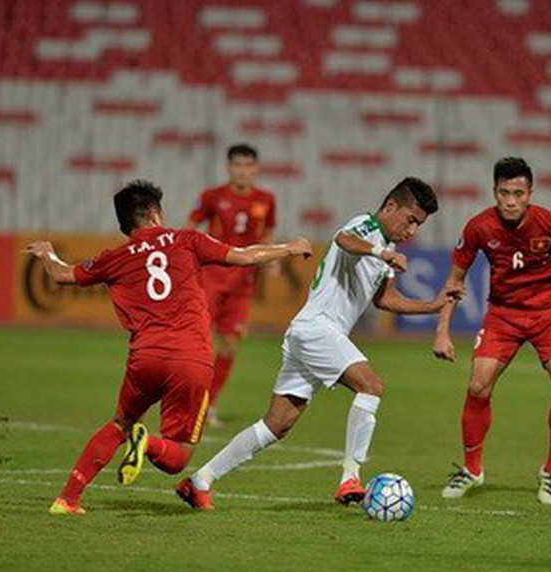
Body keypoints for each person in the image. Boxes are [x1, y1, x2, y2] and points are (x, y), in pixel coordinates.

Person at [174, 177, 462, 510]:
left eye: (419, 225)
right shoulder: (365, 226)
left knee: (277, 424)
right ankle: (350, 479)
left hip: (312, 334)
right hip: (318, 330)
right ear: (390, 206)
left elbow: (386, 299)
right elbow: (344, 240)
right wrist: (380, 252)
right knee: (371, 386)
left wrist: (432, 304)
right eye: (411, 220)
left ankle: (200, 481)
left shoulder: (387, 246)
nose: (412, 230)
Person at [27, 179, 311, 515]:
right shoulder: (186, 240)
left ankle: (67, 499)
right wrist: (289, 248)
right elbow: (245, 256)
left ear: (124, 224)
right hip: (190, 359)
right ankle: (145, 443)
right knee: (179, 456)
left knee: (120, 422)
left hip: (145, 357)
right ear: (154, 213)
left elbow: (61, 275)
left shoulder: (114, 257)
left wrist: (47, 253)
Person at [432, 157, 551, 506]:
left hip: (549, 313)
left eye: (518, 193)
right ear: (494, 192)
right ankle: (472, 469)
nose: (511, 201)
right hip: (503, 314)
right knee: (478, 385)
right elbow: (455, 280)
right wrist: (442, 331)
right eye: (504, 193)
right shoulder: (478, 227)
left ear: (530, 193)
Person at [184, 143, 277, 428]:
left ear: (256, 169)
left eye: (249, 166)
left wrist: (272, 259)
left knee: (229, 346)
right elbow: (190, 227)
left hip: (242, 283)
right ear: (228, 168)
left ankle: (207, 405)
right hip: (211, 277)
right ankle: (185, 400)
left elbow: (268, 232)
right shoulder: (212, 197)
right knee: (197, 341)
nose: (243, 171)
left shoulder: (266, 199)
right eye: (238, 165)